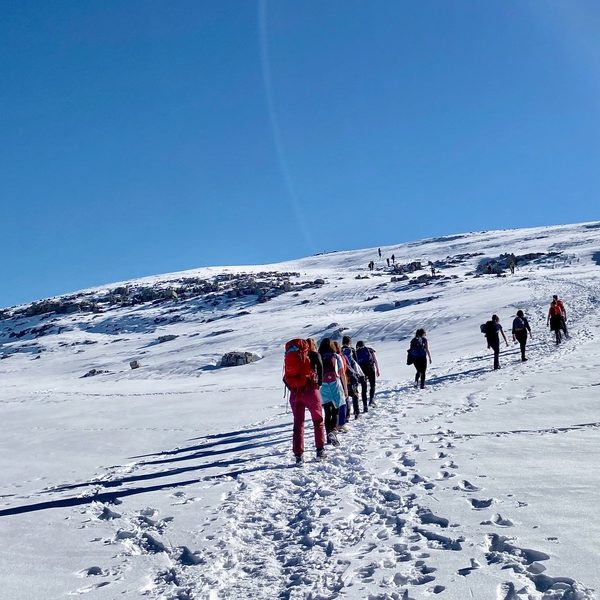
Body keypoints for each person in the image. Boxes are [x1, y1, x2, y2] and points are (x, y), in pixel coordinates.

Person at [285, 338, 326, 464]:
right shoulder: (313, 354)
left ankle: (298, 455)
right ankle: (320, 451)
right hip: (310, 390)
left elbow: (285, 378)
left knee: (298, 424)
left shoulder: (289, 357)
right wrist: (318, 384)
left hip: (295, 393)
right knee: (318, 420)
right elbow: (320, 367)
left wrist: (293, 387)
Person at [318, 338, 347, 446]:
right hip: (335, 384)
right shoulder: (336, 356)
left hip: (323, 386)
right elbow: (342, 373)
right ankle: (333, 431)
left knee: (327, 412)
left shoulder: (318, 356)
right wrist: (345, 389)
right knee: (335, 410)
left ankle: (329, 437)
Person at [341, 335, 364, 418]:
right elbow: (356, 363)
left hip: (343, 375)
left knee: (345, 395)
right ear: (349, 342)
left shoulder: (340, 350)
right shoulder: (352, 350)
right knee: (355, 394)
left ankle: (347, 413)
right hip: (352, 374)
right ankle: (356, 412)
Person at [356, 341, 380, 408]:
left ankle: (365, 406)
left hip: (362, 371)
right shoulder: (369, 350)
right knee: (372, 385)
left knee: (364, 388)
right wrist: (377, 369)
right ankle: (371, 400)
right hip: (371, 369)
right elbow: (375, 360)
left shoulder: (356, 352)